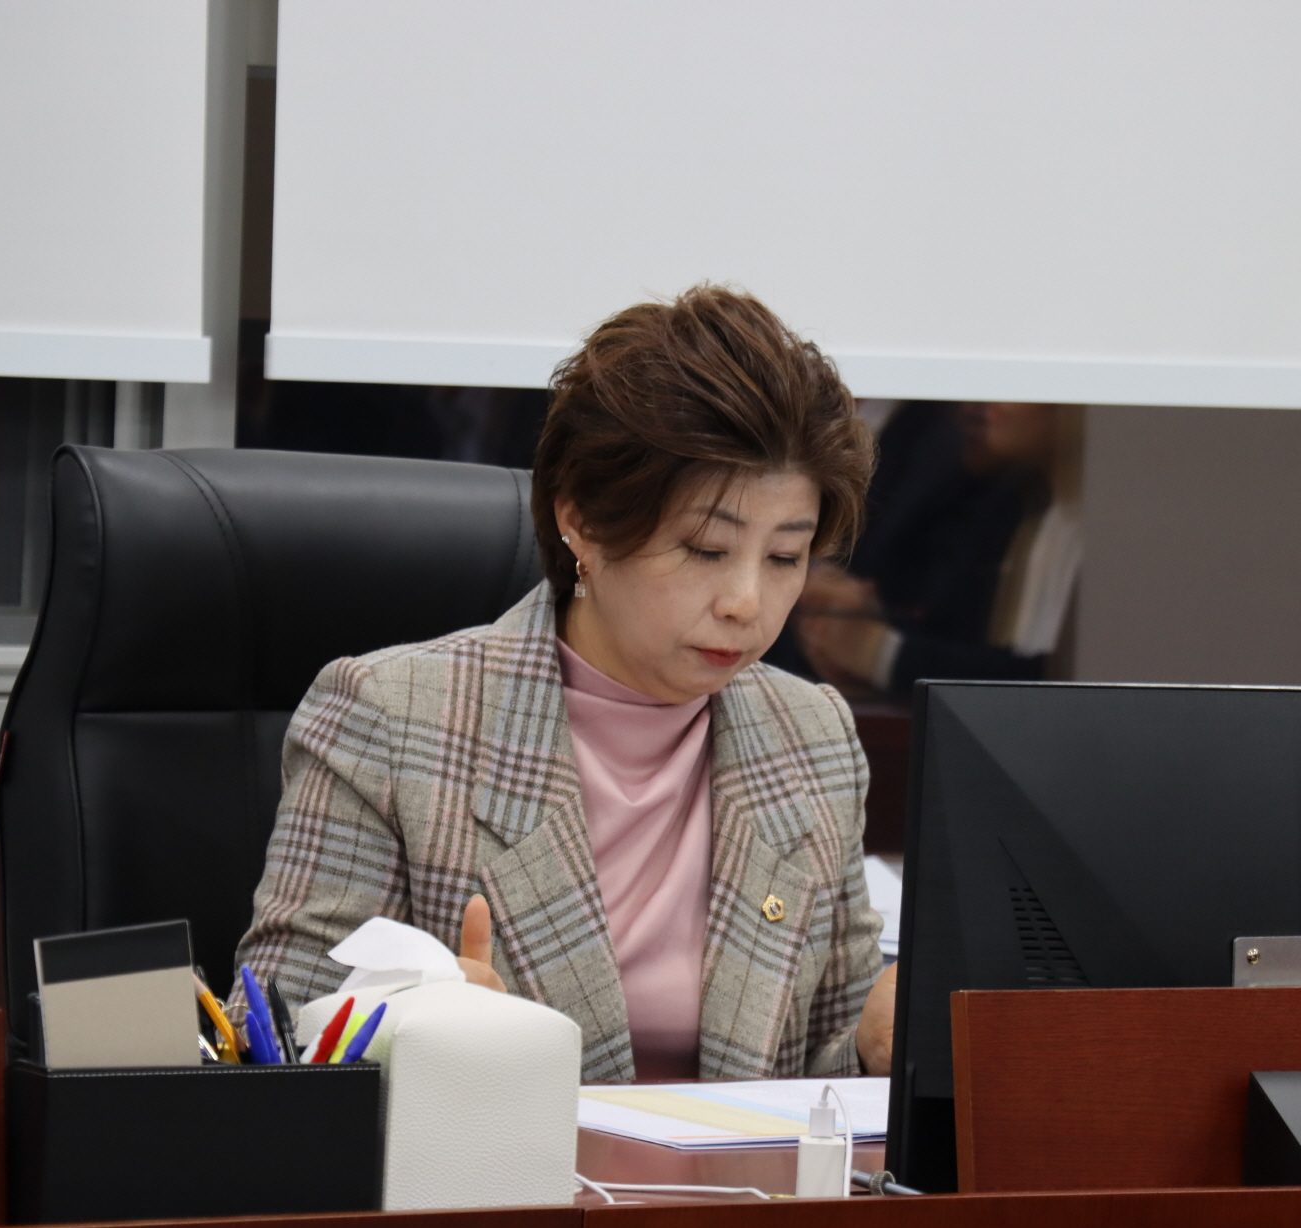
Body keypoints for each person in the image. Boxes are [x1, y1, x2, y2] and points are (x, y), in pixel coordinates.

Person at [232, 285, 896, 1082]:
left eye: (786, 556)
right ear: (581, 520)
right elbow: (275, 1040)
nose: (747, 603)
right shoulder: (390, 719)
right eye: (706, 550)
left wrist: (872, 1049)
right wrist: (409, 1028)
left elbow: (821, 1075)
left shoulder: (812, 737)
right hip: (489, 1161)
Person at [796, 402, 1084, 693]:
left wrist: (877, 650)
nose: (973, 404)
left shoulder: (1081, 527)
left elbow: (1058, 684)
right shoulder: (1035, 513)